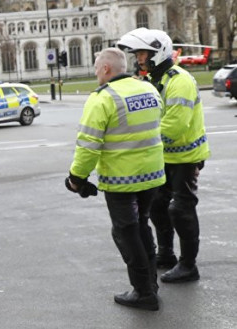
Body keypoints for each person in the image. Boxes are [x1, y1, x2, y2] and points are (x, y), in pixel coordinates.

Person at [66, 47, 165, 311]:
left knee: (126, 231)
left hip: (122, 180)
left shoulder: (102, 99)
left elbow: (88, 145)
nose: (96, 72)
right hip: (153, 175)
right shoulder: (149, 89)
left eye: (97, 67)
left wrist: (76, 179)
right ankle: (151, 285)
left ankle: (144, 292)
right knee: (142, 226)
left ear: (106, 69)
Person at [117, 28, 209, 283]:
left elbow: (175, 128)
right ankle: (166, 254)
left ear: (159, 52)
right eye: (138, 54)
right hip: (164, 158)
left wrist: (142, 143)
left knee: (181, 209)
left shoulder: (179, 81)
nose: (139, 59)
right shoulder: (155, 81)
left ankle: (189, 265)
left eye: (143, 53)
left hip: (186, 156)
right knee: (158, 206)